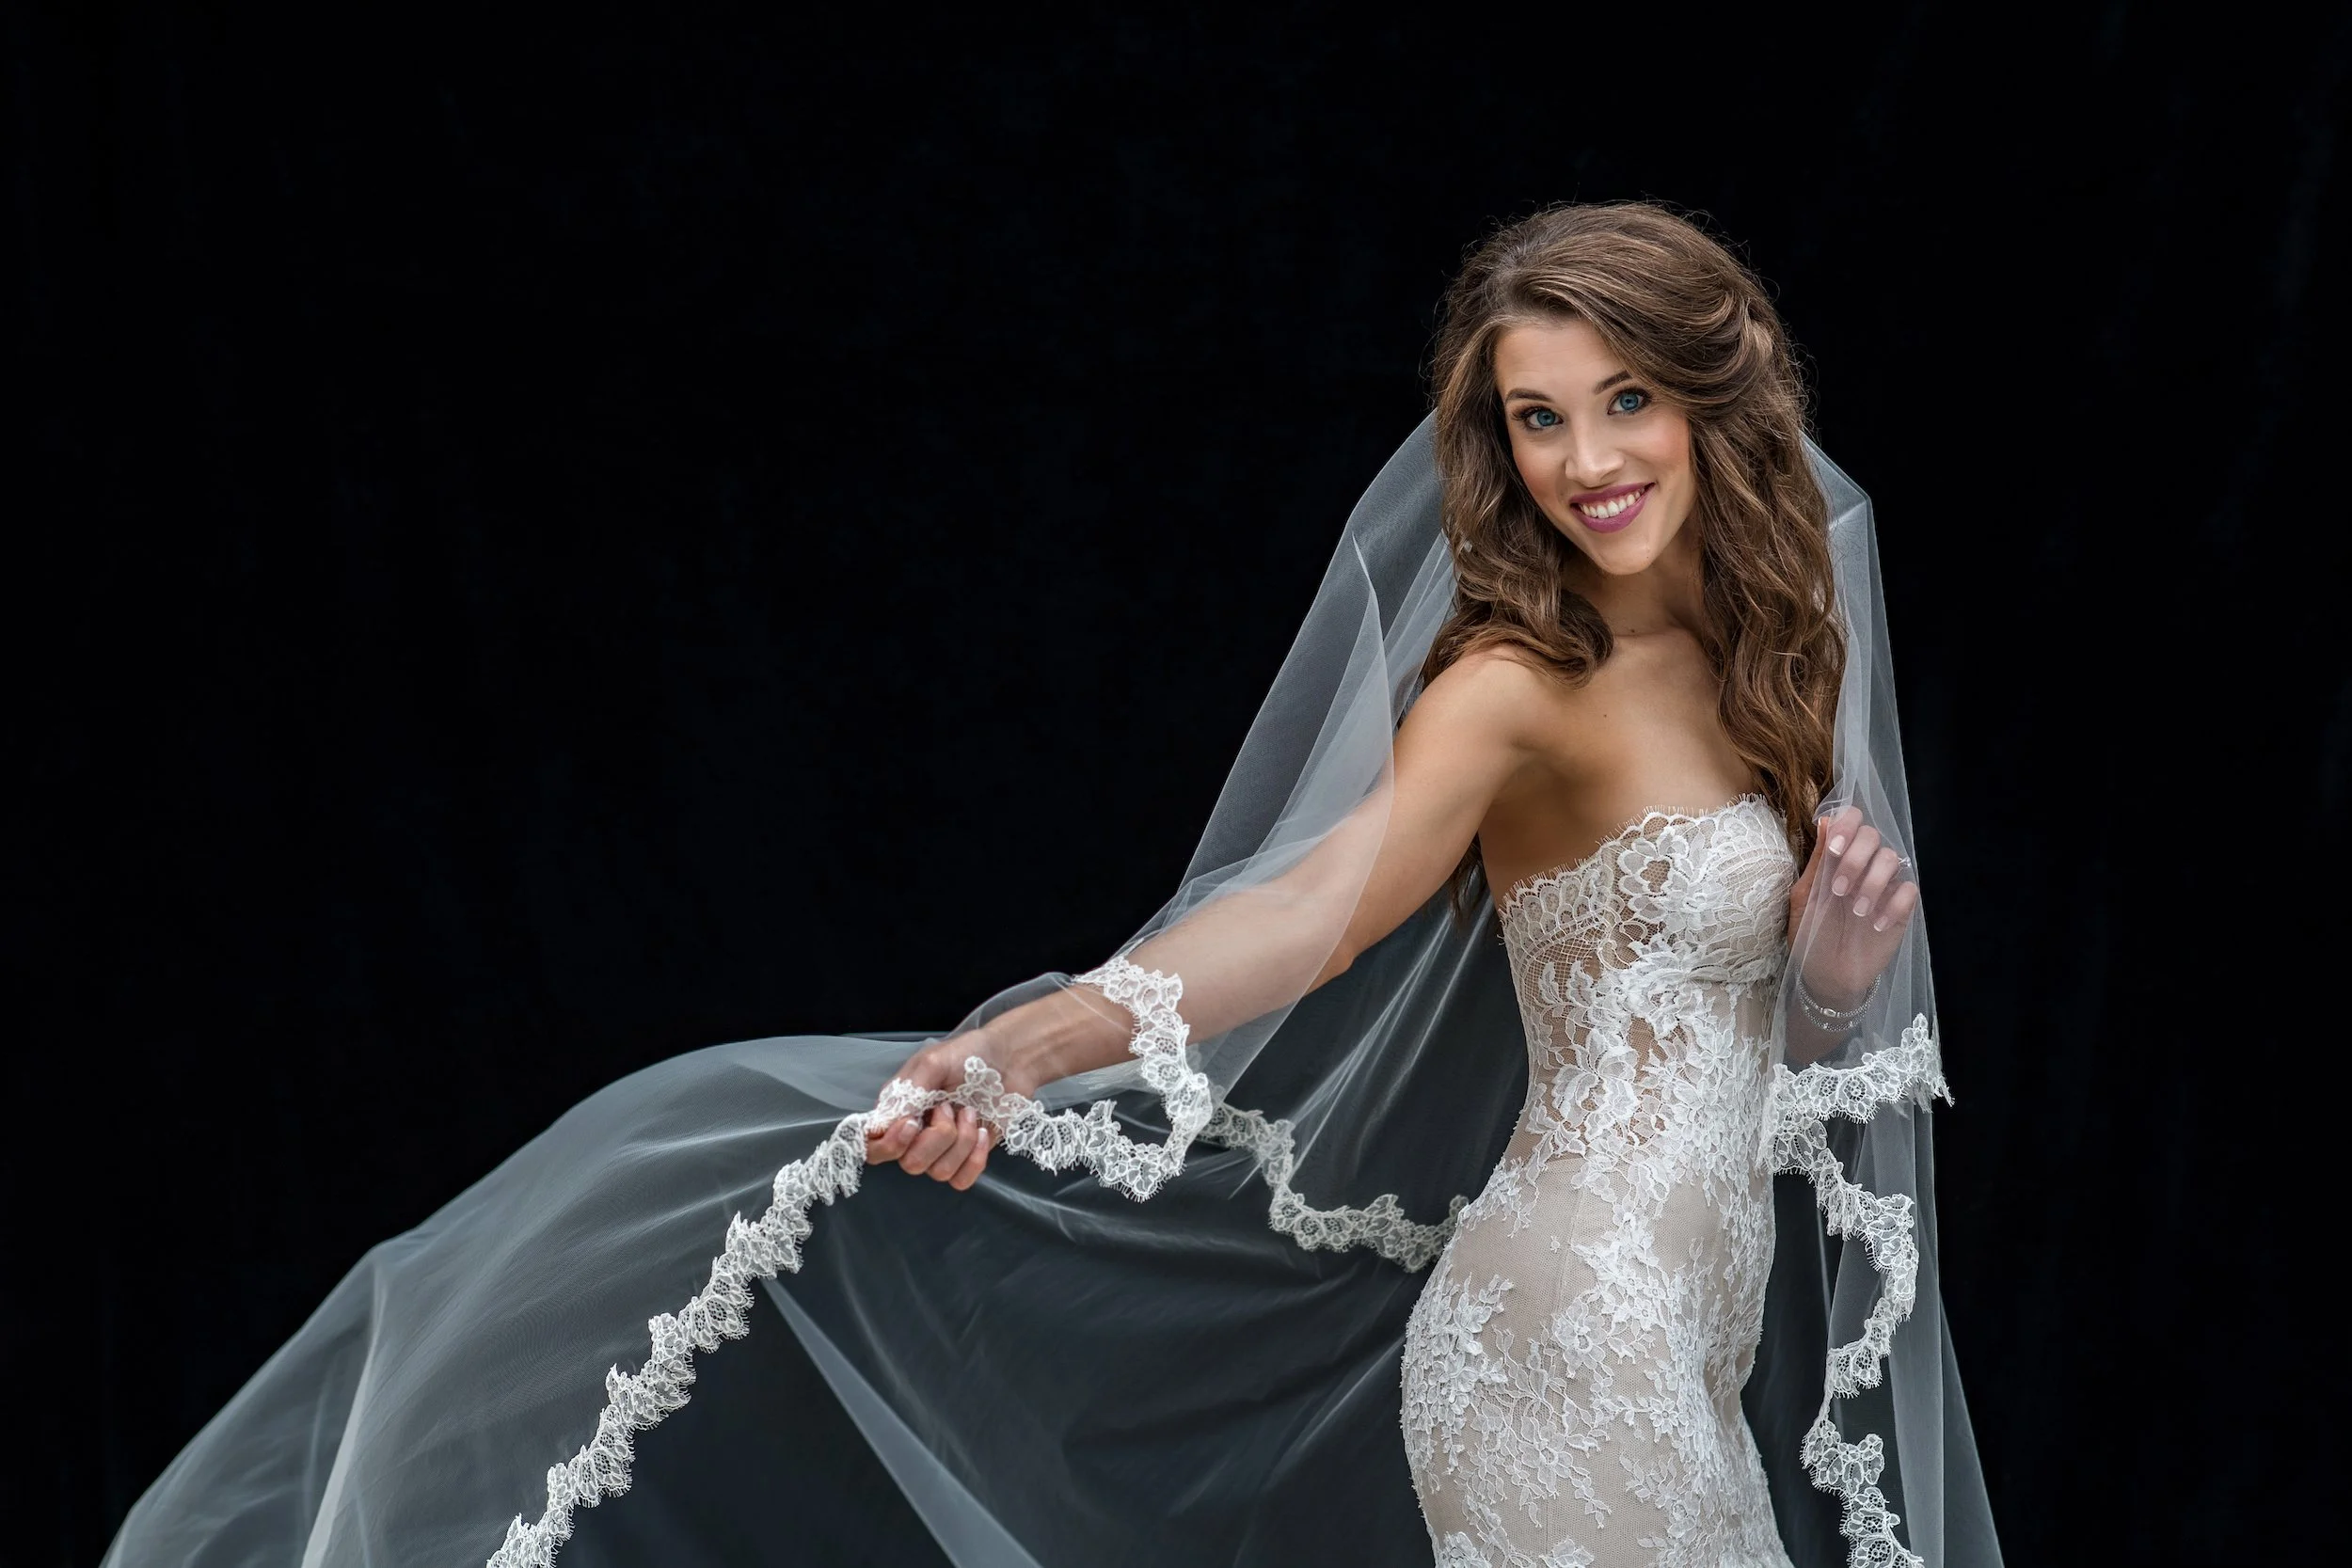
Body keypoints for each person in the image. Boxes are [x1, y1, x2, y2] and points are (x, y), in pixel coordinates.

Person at [103, 204, 1997, 1568]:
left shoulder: (1780, 653)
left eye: (1619, 402)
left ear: (1707, 394)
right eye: (1533, 414)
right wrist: (1036, 1042)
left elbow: (1755, 1044)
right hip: (1558, 1338)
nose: (1583, 457)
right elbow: (1310, 904)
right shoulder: (1515, 685)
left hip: (1684, 1331)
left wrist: (1830, 971)